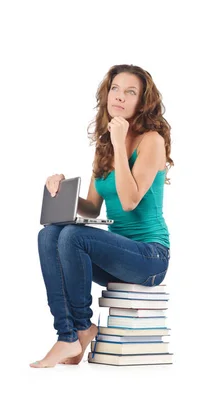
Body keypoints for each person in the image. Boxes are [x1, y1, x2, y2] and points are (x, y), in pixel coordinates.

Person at [31, 64, 173, 368]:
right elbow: (93, 207)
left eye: (130, 92)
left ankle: (80, 329)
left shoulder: (152, 141)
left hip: (150, 258)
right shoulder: (105, 145)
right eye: (115, 89)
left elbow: (130, 200)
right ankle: (69, 334)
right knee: (50, 234)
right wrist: (62, 189)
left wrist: (121, 144)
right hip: (117, 255)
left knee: (73, 236)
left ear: (142, 102)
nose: (120, 97)